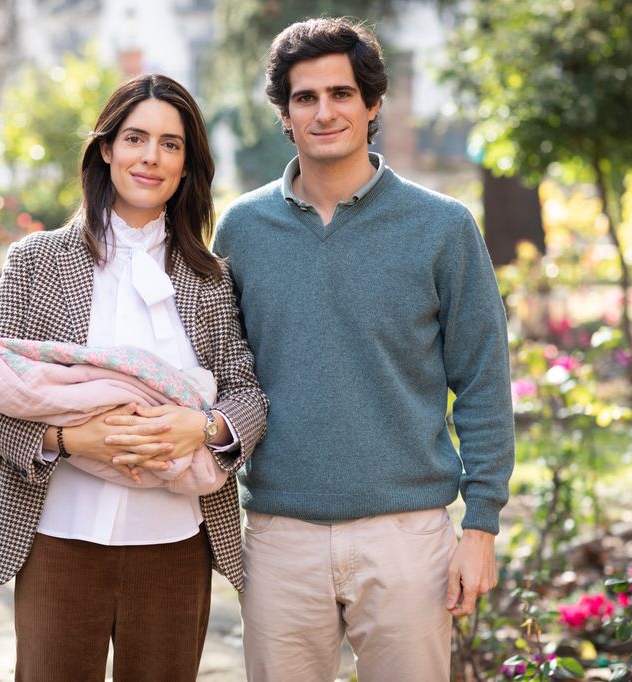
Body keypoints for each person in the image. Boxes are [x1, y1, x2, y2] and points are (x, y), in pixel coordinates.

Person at [211, 18, 515, 682]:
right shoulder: (241, 229)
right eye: (305, 97)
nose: (325, 112)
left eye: (342, 94)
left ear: (372, 104)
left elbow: (484, 379)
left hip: (407, 536)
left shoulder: (442, 227)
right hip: (279, 533)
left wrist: (481, 525)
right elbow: (216, 371)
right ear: (285, 115)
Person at [0, 73, 268, 682]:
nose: (151, 157)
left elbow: (245, 390)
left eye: (171, 144)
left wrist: (204, 428)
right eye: (135, 138)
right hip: (57, 539)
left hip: (176, 545)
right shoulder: (37, 261)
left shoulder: (209, 278)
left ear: (187, 165)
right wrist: (71, 442)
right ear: (106, 148)